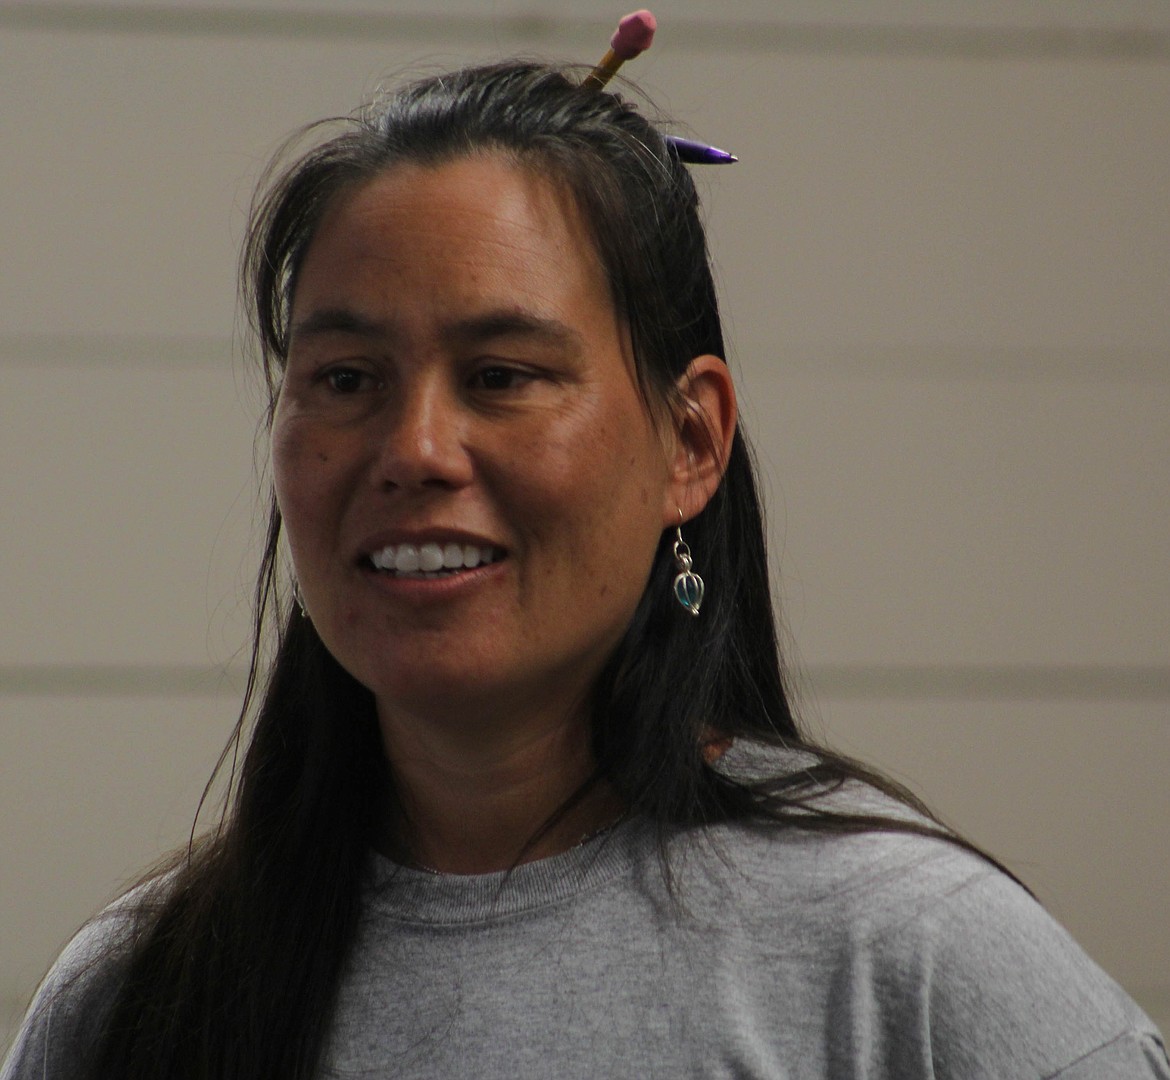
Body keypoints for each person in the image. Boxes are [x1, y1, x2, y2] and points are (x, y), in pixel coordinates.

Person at [3, 60, 1167, 1080]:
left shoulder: (911, 964)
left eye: (502, 374)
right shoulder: (135, 996)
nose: (413, 450)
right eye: (348, 378)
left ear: (691, 442)